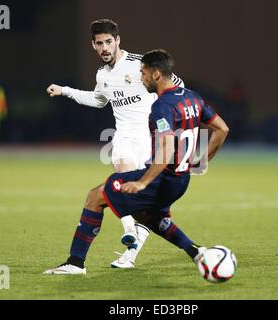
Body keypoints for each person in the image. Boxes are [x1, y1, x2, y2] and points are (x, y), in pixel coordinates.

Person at [44, 49, 229, 275]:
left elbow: (167, 149)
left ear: (156, 74)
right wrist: (202, 161)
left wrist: (143, 182)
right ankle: (196, 252)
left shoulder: (161, 107)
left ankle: (75, 263)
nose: (140, 78)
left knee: (97, 195)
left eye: (143, 73)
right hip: (181, 181)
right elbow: (222, 128)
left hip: (163, 179)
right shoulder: (193, 97)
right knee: (149, 216)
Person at [46, 19, 183, 269]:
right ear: (93, 45)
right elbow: (99, 100)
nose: (105, 47)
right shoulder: (102, 74)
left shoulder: (141, 65)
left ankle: (130, 254)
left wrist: (174, 115)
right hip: (123, 136)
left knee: (147, 204)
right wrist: (65, 91)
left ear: (118, 40)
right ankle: (128, 229)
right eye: (100, 43)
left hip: (150, 135)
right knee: (123, 172)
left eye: (109, 42)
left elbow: (178, 86)